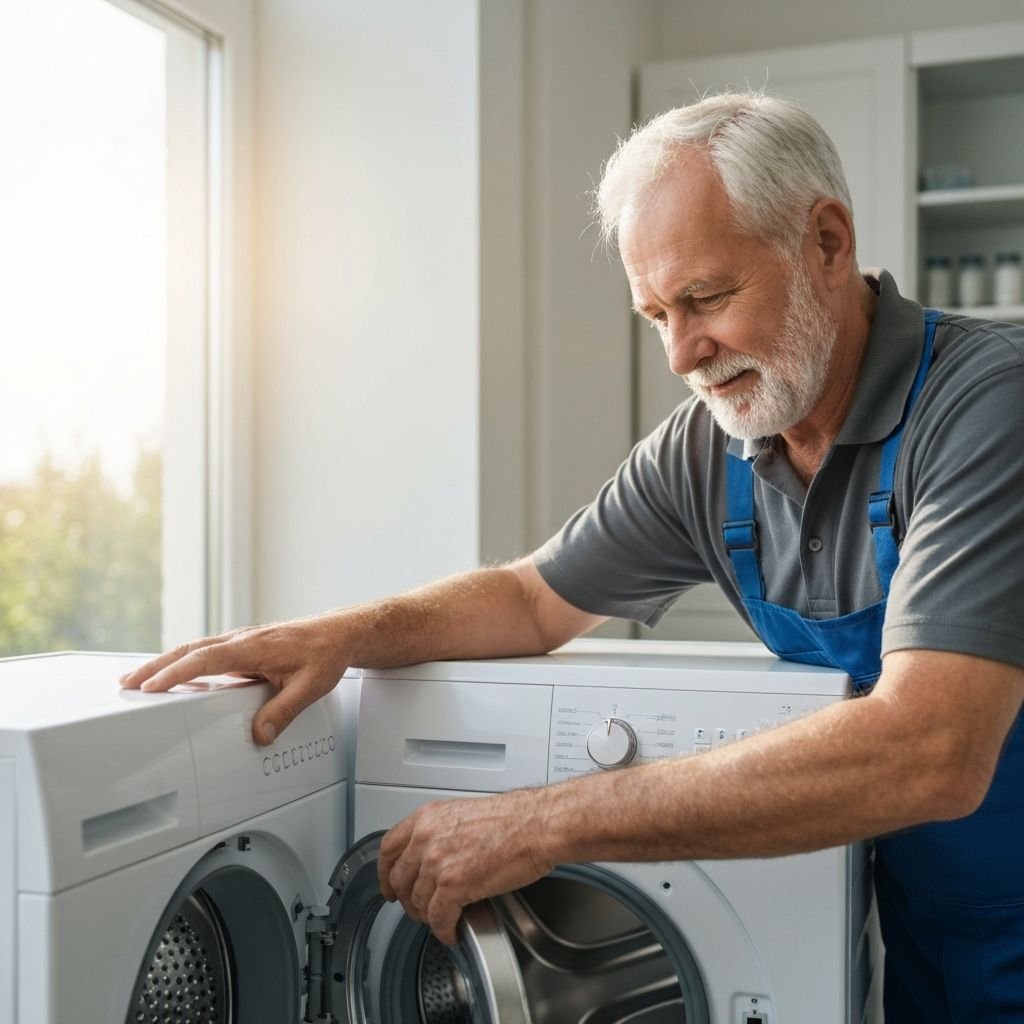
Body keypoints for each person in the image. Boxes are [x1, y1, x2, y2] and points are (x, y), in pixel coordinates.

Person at [121, 93, 1024, 1020]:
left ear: (827, 243)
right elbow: (530, 599)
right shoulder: (707, 453)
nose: (682, 353)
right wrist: (341, 635)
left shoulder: (987, 406)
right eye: (655, 314)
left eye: (707, 299)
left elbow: (935, 747)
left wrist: (541, 822)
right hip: (938, 940)